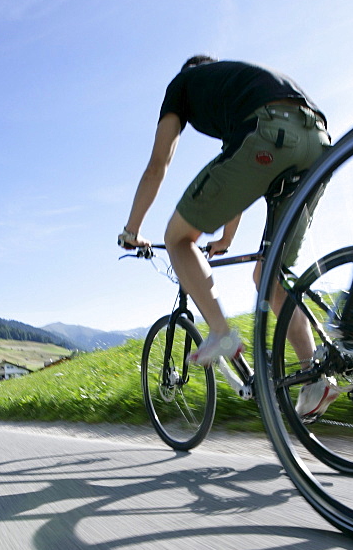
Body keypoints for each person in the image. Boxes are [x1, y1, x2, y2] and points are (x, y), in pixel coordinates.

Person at [119, 56, 338, 421]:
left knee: (176, 238)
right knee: (268, 277)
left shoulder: (183, 83)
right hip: (317, 141)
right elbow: (236, 167)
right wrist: (225, 238)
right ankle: (317, 380)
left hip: (269, 133)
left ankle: (220, 333)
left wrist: (132, 230)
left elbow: (158, 165)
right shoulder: (240, 85)